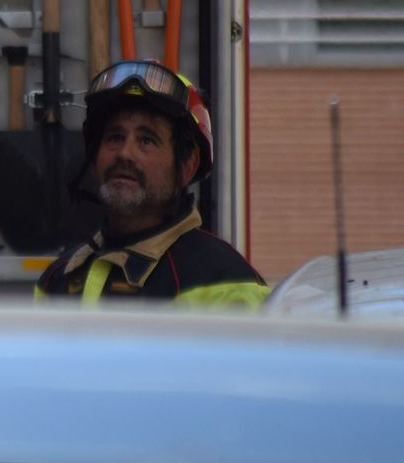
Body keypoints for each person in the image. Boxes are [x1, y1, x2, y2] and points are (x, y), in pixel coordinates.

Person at [35, 58, 268, 308]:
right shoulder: (57, 280)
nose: (125, 153)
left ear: (187, 165)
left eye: (146, 140)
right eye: (115, 137)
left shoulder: (226, 284)